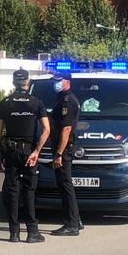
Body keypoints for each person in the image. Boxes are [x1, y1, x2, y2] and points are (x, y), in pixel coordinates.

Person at [0, 69, 50, 243]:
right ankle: (32, 232)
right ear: (28, 82)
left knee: (12, 190)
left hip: (11, 151)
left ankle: (14, 233)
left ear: (13, 83)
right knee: (29, 191)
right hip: (28, 152)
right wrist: (36, 152)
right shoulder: (36, 103)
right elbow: (46, 130)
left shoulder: (5, 103)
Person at [50, 71, 82, 236]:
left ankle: (71, 224)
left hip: (64, 148)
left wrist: (59, 154)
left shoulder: (67, 101)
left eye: (58, 81)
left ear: (67, 82)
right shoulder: (61, 98)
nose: (55, 83)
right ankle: (76, 219)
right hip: (64, 147)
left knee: (65, 185)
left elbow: (66, 128)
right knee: (65, 185)